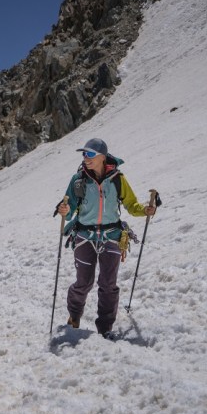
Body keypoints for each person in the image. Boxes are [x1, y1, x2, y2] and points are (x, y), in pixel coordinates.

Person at [57, 138, 156, 340]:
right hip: (84, 236)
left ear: (103, 157)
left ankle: (105, 327)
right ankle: (74, 316)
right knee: (84, 282)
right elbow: (69, 209)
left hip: (112, 236)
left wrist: (145, 210)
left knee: (108, 284)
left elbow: (131, 204)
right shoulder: (78, 180)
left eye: (90, 154)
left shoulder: (118, 179)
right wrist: (64, 210)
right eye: (84, 154)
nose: (86, 158)